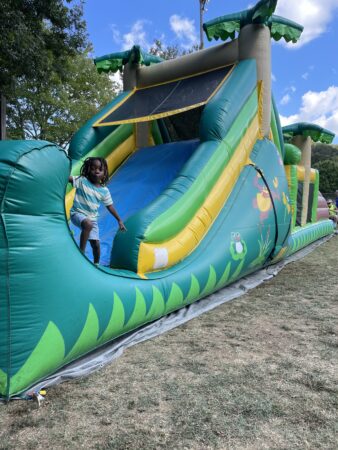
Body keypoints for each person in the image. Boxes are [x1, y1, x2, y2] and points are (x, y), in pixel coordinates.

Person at [69, 157, 126, 264]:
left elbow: (110, 206)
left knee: (96, 244)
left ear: (104, 174)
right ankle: (81, 253)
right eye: (93, 168)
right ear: (88, 170)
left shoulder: (104, 191)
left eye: (100, 169)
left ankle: (96, 265)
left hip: (92, 219)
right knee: (88, 224)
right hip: (77, 213)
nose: (96, 171)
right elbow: (68, 178)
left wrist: (119, 220)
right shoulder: (81, 181)